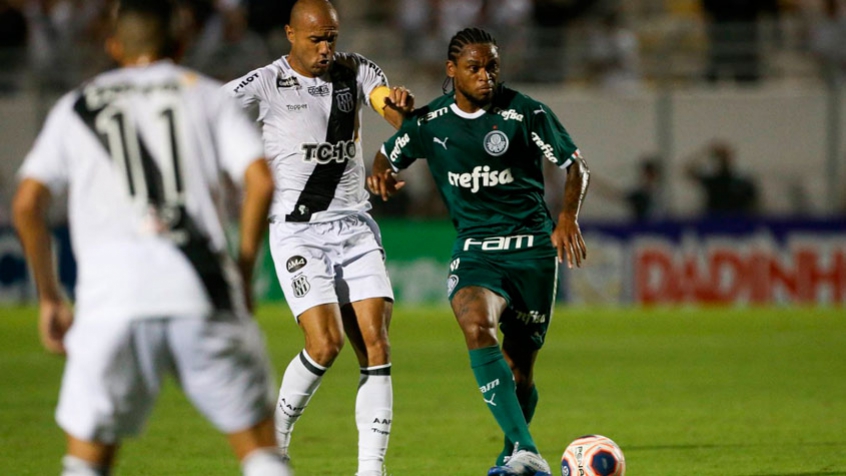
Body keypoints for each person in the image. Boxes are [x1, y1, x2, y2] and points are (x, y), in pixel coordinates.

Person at [11, 1, 290, 475]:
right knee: (261, 454)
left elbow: (26, 204)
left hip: (109, 302)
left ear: (113, 44)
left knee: (86, 464)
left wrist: (51, 298)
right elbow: (260, 180)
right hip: (200, 288)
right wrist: (241, 270)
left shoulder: (77, 105)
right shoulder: (204, 95)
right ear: (181, 44)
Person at [368, 27, 589, 476]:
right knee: (475, 323)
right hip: (475, 251)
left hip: (531, 252)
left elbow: (575, 166)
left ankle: (510, 459)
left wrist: (567, 217)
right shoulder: (432, 124)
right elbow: (386, 153)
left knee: (520, 369)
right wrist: (381, 175)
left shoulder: (526, 113)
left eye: (492, 66)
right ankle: (529, 452)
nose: (486, 75)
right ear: (452, 71)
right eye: (474, 68)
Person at [224, 1, 414, 474]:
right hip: (298, 232)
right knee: (325, 344)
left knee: (376, 346)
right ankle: (275, 441)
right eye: (316, 39)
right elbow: (204, 111)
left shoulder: (356, 70)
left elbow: (388, 107)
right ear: (291, 34)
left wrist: (403, 115)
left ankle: (372, 469)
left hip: (354, 227)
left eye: (332, 37)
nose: (327, 48)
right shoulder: (265, 83)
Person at [683, 141, 759, 217]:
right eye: (720, 158)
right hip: (714, 220)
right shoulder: (712, 181)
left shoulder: (741, 181)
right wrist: (704, 153)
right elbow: (687, 171)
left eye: (725, 158)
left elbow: (753, 203)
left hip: (737, 221)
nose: (723, 161)